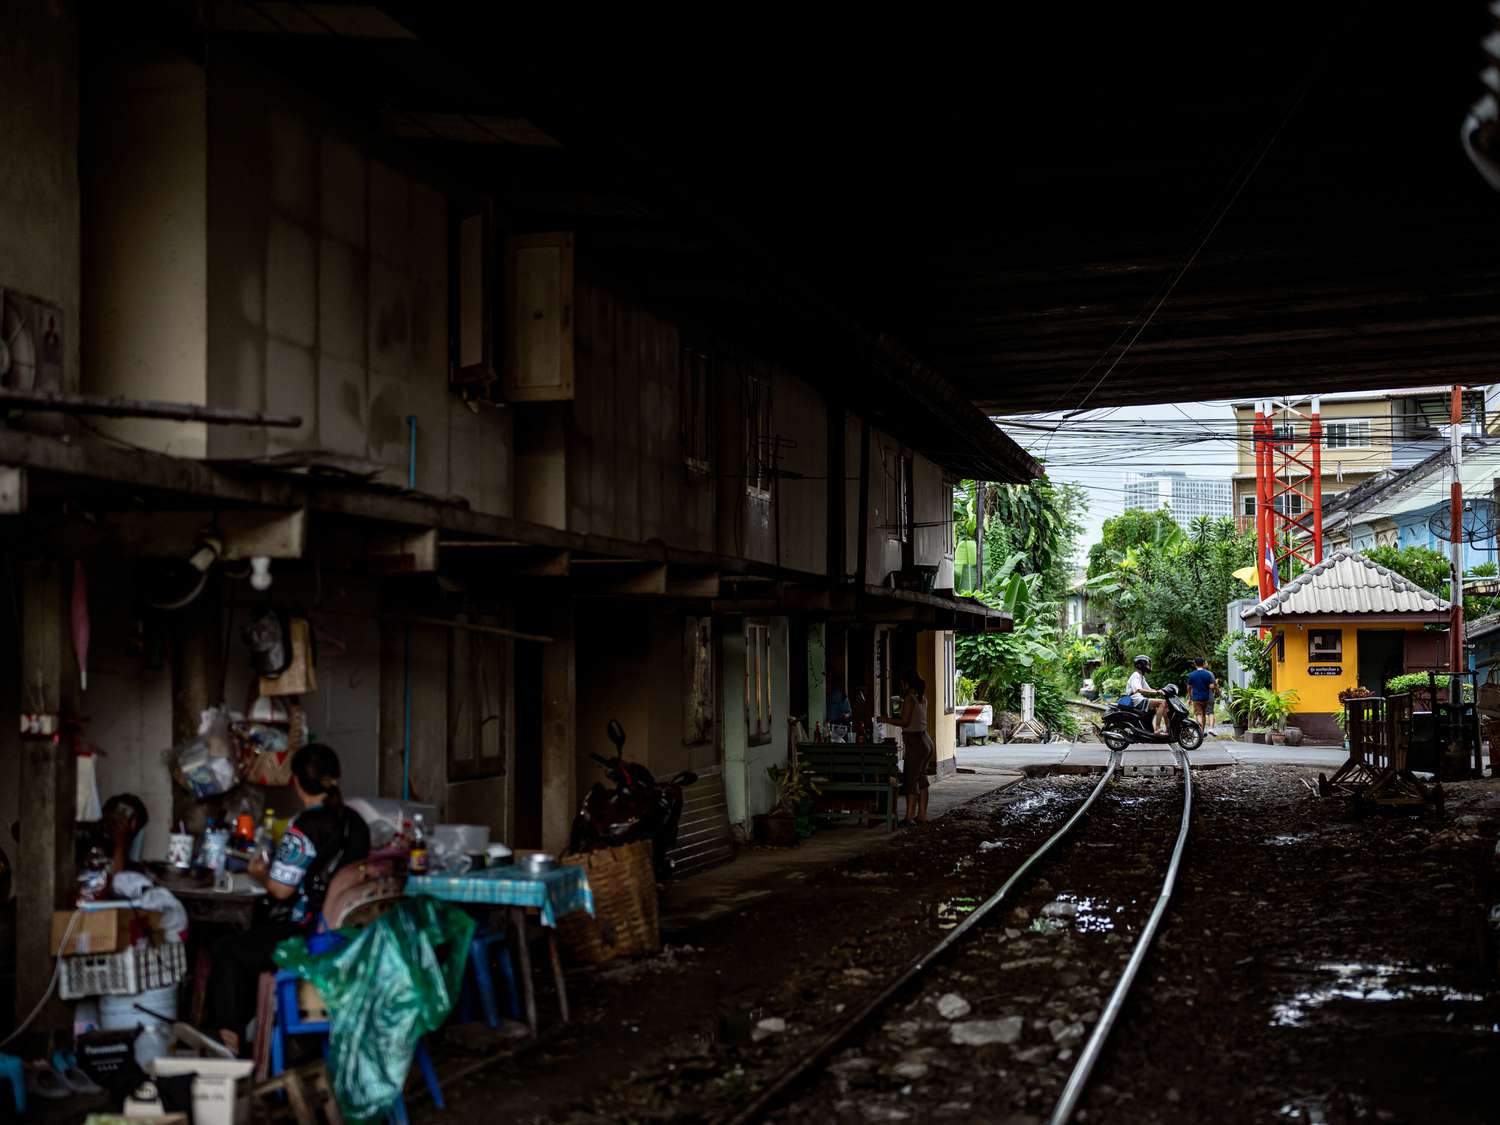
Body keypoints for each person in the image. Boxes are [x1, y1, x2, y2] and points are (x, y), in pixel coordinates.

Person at [203, 744, 370, 1054]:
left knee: (228, 949)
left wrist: (260, 873)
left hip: (313, 936)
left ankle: (228, 1046)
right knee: (251, 944)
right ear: (337, 777)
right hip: (349, 934)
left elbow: (281, 890)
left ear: (294, 782)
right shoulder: (357, 822)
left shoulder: (305, 827)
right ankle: (252, 1033)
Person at [882, 672, 932, 826]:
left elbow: (905, 721)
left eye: (902, 683)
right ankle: (922, 815)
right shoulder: (922, 697)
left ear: (907, 683)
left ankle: (909, 817)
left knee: (910, 779)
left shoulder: (910, 699)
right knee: (922, 779)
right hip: (926, 740)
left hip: (915, 742)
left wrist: (886, 720)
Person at [1126, 655, 1167, 732]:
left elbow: (1149, 689)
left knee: (1160, 706)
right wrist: (1156, 692)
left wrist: (1160, 691)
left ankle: (1154, 728)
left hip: (1139, 699)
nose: (1149, 666)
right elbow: (1138, 690)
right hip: (1136, 700)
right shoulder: (1136, 675)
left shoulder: (1141, 676)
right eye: (1147, 664)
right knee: (1162, 703)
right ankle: (1157, 728)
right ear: (1141, 665)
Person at [1186, 657, 1218, 732]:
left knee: (1198, 714)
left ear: (1195, 664)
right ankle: (1206, 730)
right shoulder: (1208, 674)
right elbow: (1212, 686)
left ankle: (1200, 730)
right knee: (1206, 713)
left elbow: (1189, 687)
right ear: (1203, 664)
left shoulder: (1192, 675)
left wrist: (1190, 696)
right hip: (1206, 697)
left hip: (1196, 698)